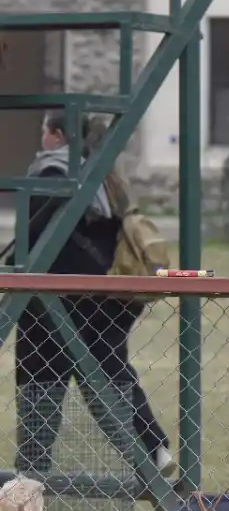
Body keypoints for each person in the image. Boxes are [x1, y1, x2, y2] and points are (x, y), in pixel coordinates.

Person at [10, 111, 173, 477]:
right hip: (107, 296)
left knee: (41, 382)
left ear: (56, 135)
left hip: (55, 301)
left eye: (44, 132)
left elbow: (31, 241)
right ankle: (153, 450)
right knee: (109, 377)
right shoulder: (105, 178)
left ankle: (32, 472)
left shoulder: (49, 175)